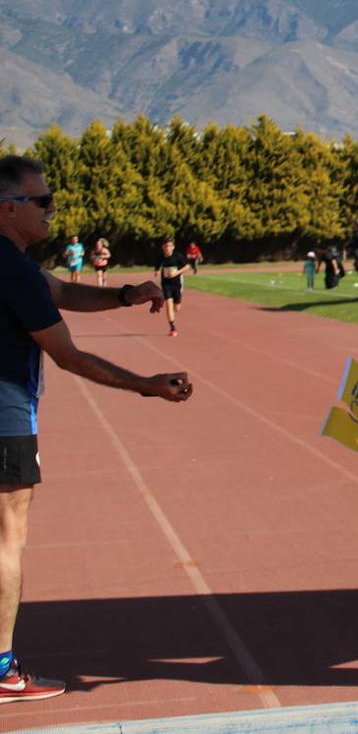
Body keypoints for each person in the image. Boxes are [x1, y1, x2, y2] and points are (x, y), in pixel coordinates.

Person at [0, 155, 193, 705]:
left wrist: (123, 296)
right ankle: (2, 669)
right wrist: (147, 385)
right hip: (4, 418)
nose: (52, 211)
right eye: (43, 202)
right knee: (7, 538)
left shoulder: (17, 266)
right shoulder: (10, 267)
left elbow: (59, 292)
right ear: (9, 208)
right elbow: (67, 356)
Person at [155, 239, 191, 337]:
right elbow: (157, 267)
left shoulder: (177, 256)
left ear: (173, 247)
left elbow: (188, 267)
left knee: (177, 307)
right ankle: (172, 327)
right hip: (166, 284)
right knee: (168, 305)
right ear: (163, 247)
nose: (167, 248)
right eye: (165, 246)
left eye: (169, 246)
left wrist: (176, 273)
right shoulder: (160, 257)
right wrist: (157, 271)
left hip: (177, 284)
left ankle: (177, 305)